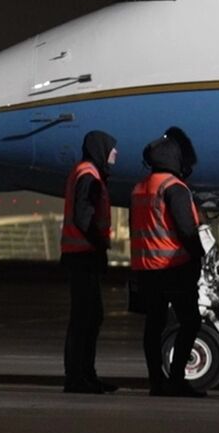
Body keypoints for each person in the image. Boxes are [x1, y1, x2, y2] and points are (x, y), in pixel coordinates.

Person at [130, 130, 207, 398]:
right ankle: (176, 379)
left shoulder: (140, 187)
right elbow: (187, 230)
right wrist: (199, 256)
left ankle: (156, 382)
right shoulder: (174, 188)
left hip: (145, 269)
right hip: (174, 268)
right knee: (190, 322)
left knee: (154, 325)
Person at [60, 130, 118, 394]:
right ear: (100, 149)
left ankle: (84, 375)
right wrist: (99, 246)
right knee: (86, 319)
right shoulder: (89, 176)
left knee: (89, 318)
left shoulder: (88, 173)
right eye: (112, 148)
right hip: (83, 256)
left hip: (81, 255)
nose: (115, 153)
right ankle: (77, 377)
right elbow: (84, 218)